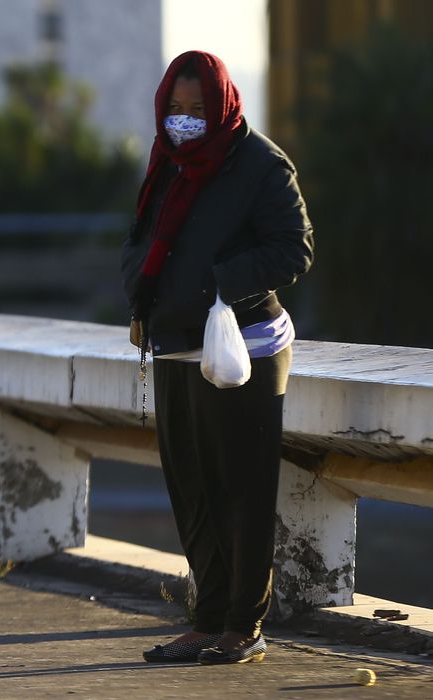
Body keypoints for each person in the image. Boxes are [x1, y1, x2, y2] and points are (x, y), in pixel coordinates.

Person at [121, 51, 314, 665]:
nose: (184, 121)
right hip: (177, 346)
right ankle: (206, 619)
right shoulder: (167, 164)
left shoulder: (258, 163)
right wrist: (143, 294)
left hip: (244, 348)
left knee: (242, 488)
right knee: (192, 488)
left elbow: (294, 246)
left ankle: (244, 627)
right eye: (175, 110)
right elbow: (145, 241)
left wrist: (218, 285)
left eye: (197, 110)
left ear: (223, 105)